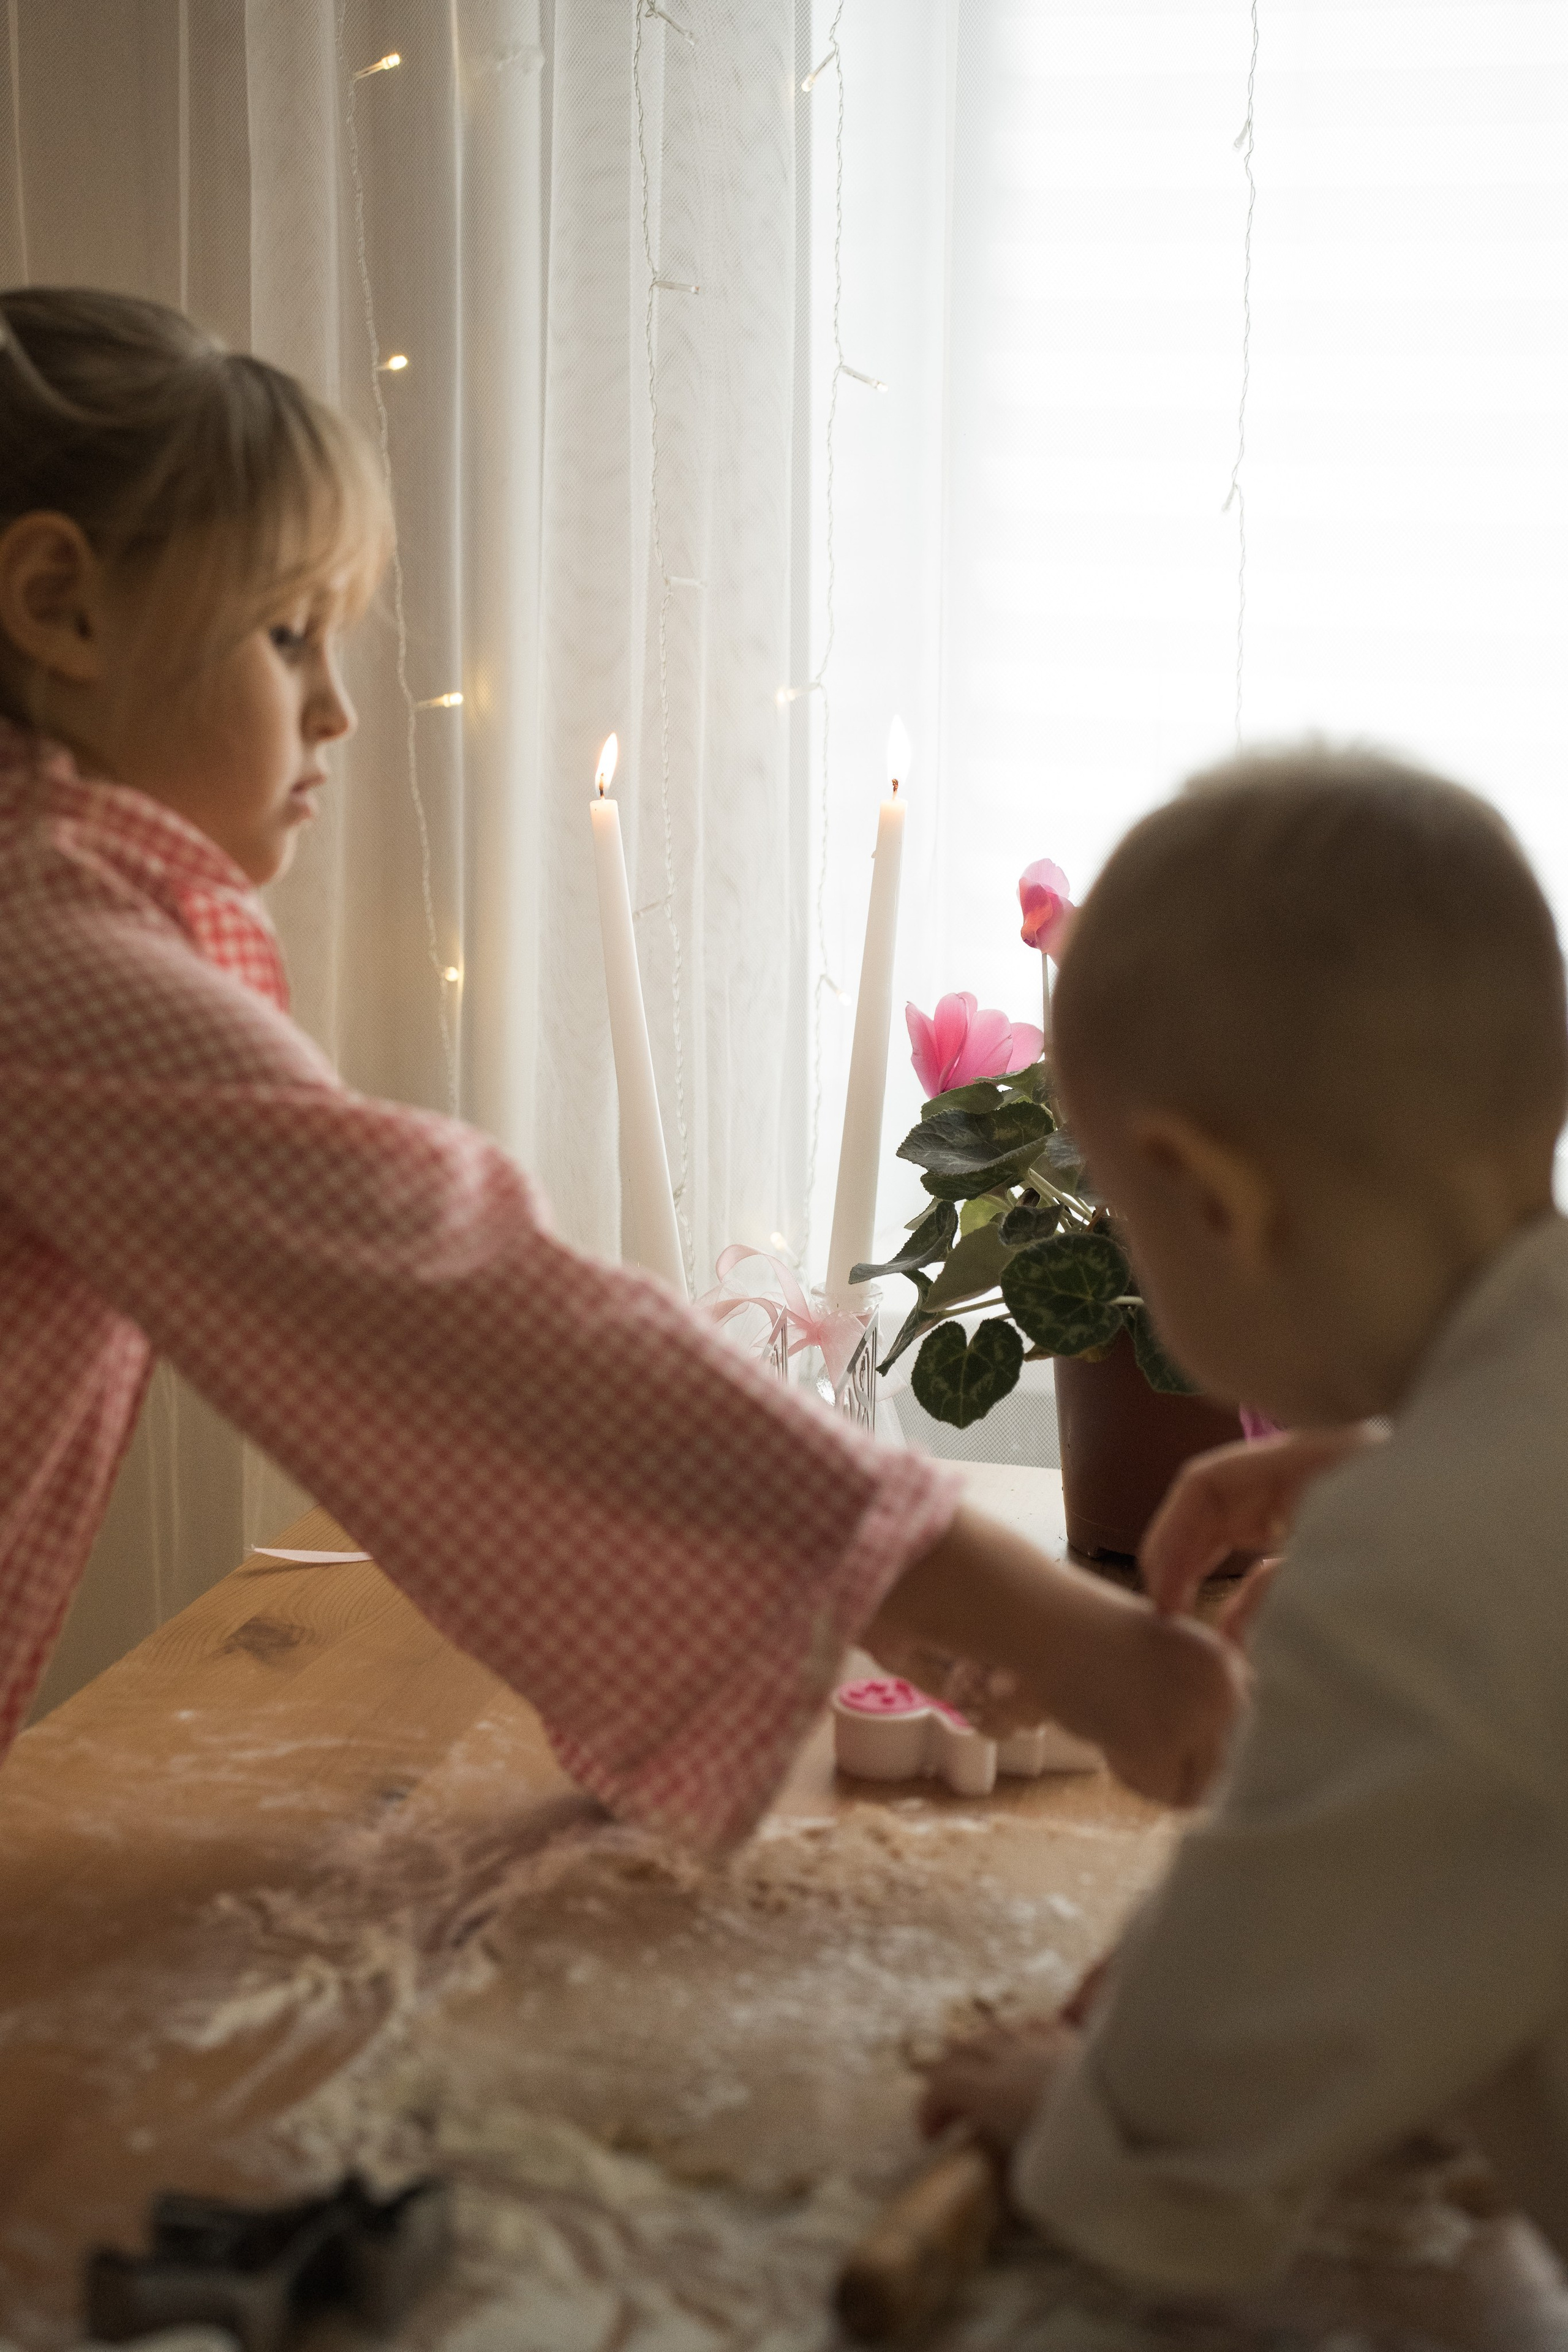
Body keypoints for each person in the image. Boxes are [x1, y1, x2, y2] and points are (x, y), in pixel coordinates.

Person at [0, 287, 1241, 1852]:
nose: (337, 705)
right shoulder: (46, 954)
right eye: (285, 629)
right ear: (60, 600)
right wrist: (1062, 1632)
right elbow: (465, 1307)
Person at [922, 746, 1568, 2278]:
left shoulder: (1420, 1566)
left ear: (1207, 1199)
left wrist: (1089, 2111)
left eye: (1134, 1229)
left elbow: (1252, 1986)